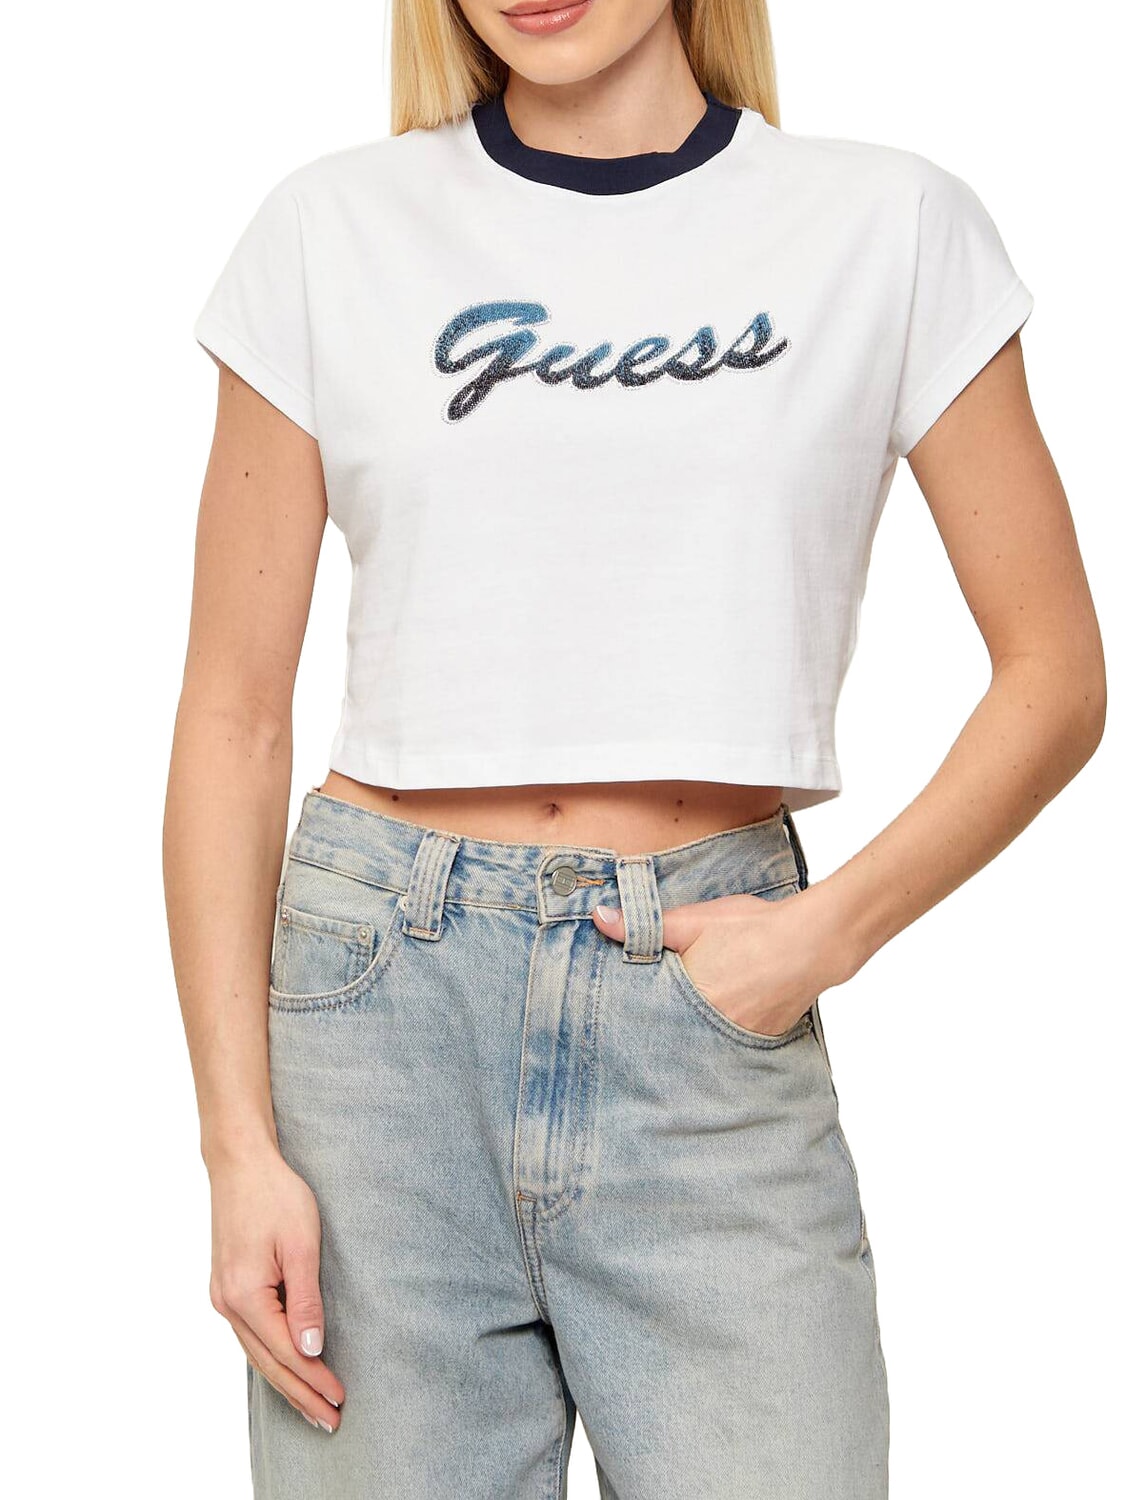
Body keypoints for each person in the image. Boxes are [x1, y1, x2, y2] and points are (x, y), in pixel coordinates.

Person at [163, 0, 1105, 1494]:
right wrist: (236, 1145)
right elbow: (232, 716)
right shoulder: (328, 231)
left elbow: (1054, 676)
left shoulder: (888, 225)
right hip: (381, 1029)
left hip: (708, 1010)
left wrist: (822, 936)